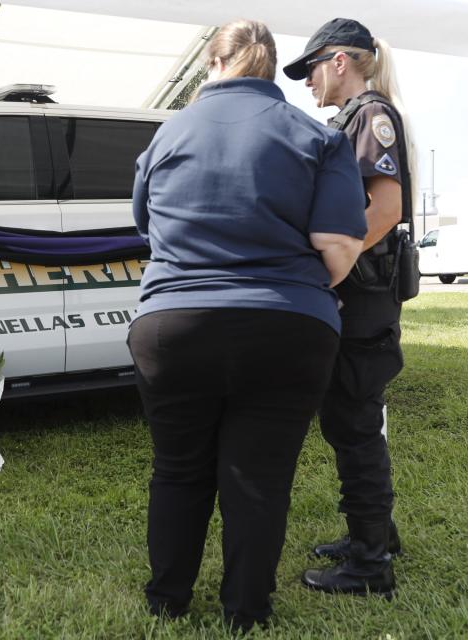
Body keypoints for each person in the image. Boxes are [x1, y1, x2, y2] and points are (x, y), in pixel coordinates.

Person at [128, 20, 367, 630]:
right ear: (268, 69)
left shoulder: (166, 135)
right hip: (286, 326)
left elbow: (149, 230)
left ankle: (168, 600)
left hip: (173, 323)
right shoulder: (315, 135)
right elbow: (338, 247)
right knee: (258, 477)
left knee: (178, 467)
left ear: (213, 65)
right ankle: (246, 612)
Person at [283, 17, 415, 597]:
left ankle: (370, 565)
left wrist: (330, 266)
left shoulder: (371, 116)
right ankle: (376, 535)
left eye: (311, 67)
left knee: (354, 421)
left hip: (361, 294)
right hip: (359, 293)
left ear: (340, 60)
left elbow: (384, 209)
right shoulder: (352, 117)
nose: (307, 81)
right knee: (350, 420)